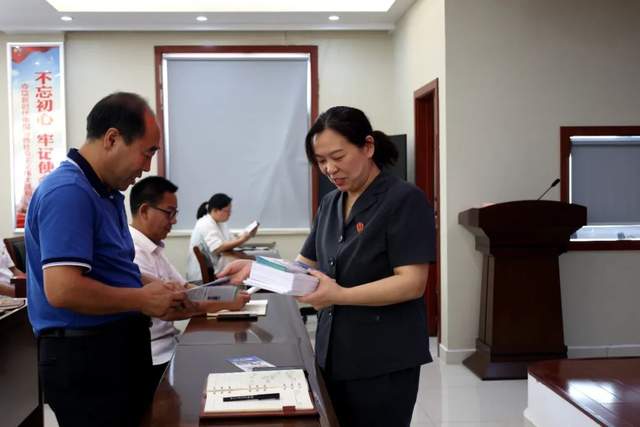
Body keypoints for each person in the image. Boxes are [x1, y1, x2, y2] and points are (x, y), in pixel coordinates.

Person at [220, 106, 436, 427]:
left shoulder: (404, 199)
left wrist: (339, 295)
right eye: (321, 161)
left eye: (338, 156)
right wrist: (255, 270)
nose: (330, 169)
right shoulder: (331, 202)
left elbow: (411, 283)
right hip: (333, 350)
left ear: (368, 146)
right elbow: (301, 266)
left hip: (384, 356)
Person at [25, 92, 187, 427]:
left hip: (116, 348)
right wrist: (142, 299)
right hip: (87, 358)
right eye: (147, 153)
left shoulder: (106, 193)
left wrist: (155, 286)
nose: (146, 167)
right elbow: (63, 290)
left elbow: (115, 270)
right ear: (112, 139)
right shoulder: (68, 192)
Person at [129, 176, 250, 389]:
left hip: (170, 343)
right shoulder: (133, 251)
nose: (174, 221)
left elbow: (187, 288)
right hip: (155, 354)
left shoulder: (153, 247)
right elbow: (170, 307)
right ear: (145, 211)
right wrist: (224, 302)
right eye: (169, 213)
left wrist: (224, 294)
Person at [186, 193, 258, 281]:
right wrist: (243, 239)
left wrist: (248, 234)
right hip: (202, 277)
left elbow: (232, 242)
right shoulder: (205, 223)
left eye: (230, 211)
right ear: (215, 210)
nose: (229, 214)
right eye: (227, 211)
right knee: (250, 268)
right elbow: (218, 248)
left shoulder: (220, 224)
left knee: (250, 263)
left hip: (216, 269)